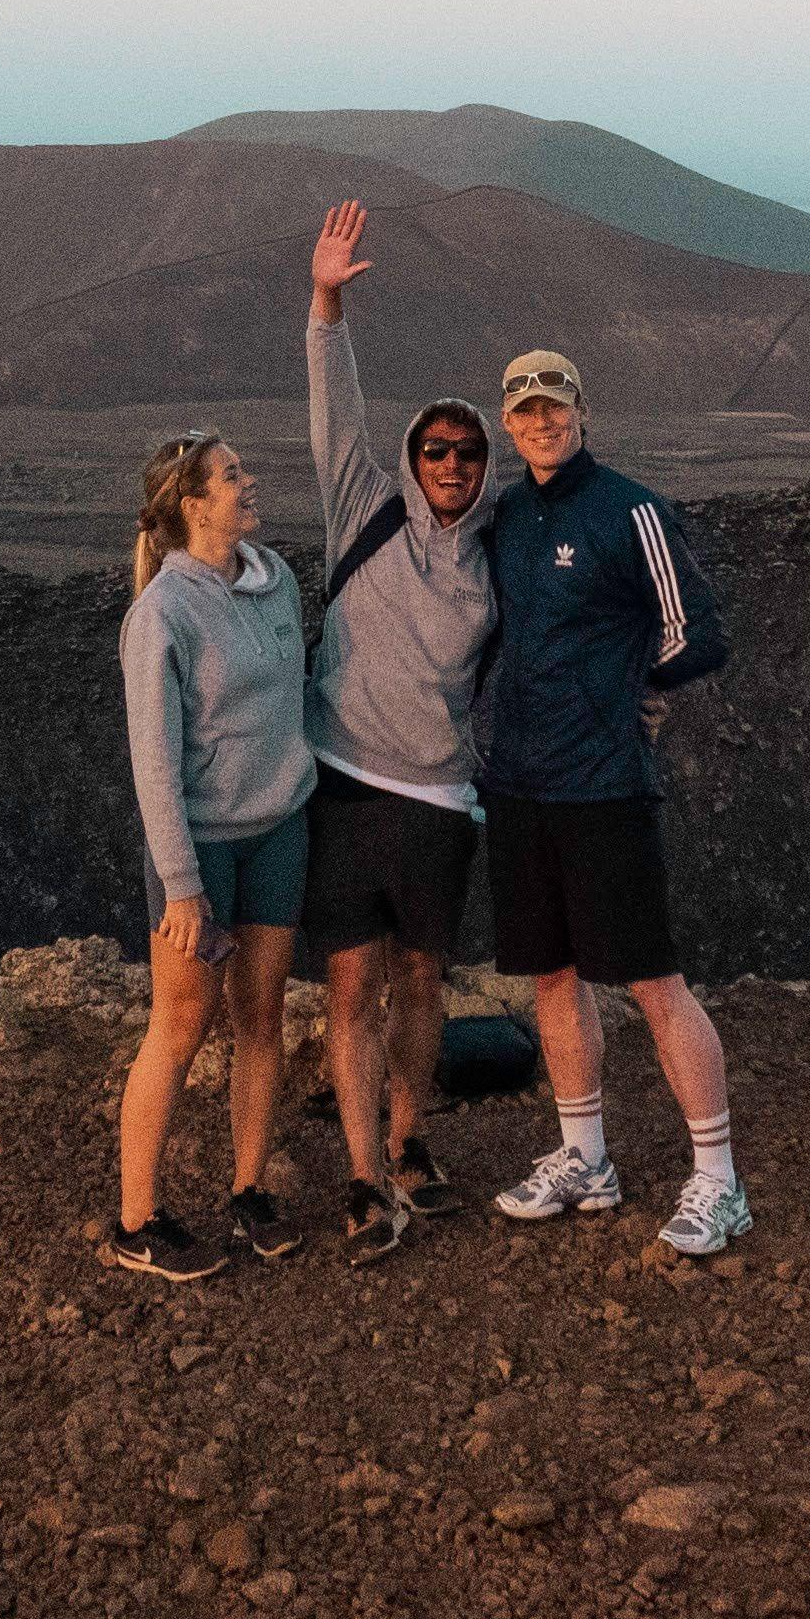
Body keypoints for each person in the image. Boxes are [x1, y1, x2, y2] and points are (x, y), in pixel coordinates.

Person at [480, 347, 749, 1256]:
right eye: (524, 412)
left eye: (554, 407)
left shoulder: (631, 510)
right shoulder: (510, 514)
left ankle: (719, 1179)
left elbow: (698, 633)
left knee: (651, 980)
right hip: (519, 781)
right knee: (550, 973)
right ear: (508, 424)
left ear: (582, 412)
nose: (541, 422)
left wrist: (631, 690)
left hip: (602, 783)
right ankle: (585, 1156)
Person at [299, 199, 499, 1257]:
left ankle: (412, 1138)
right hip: (343, 783)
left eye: (467, 450)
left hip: (438, 798)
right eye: (434, 447)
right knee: (351, 981)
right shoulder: (362, 507)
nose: (451, 464)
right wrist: (327, 299)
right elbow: (336, 403)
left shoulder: (498, 553)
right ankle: (363, 1175)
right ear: (412, 455)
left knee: (423, 978)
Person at [107, 429, 316, 1282]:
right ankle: (134, 1221)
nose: (249, 482)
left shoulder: (276, 582)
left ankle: (249, 1190)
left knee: (260, 1016)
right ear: (193, 504)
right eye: (233, 476)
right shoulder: (162, 612)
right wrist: (184, 889)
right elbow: (153, 761)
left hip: (279, 831)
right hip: (199, 852)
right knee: (182, 1025)